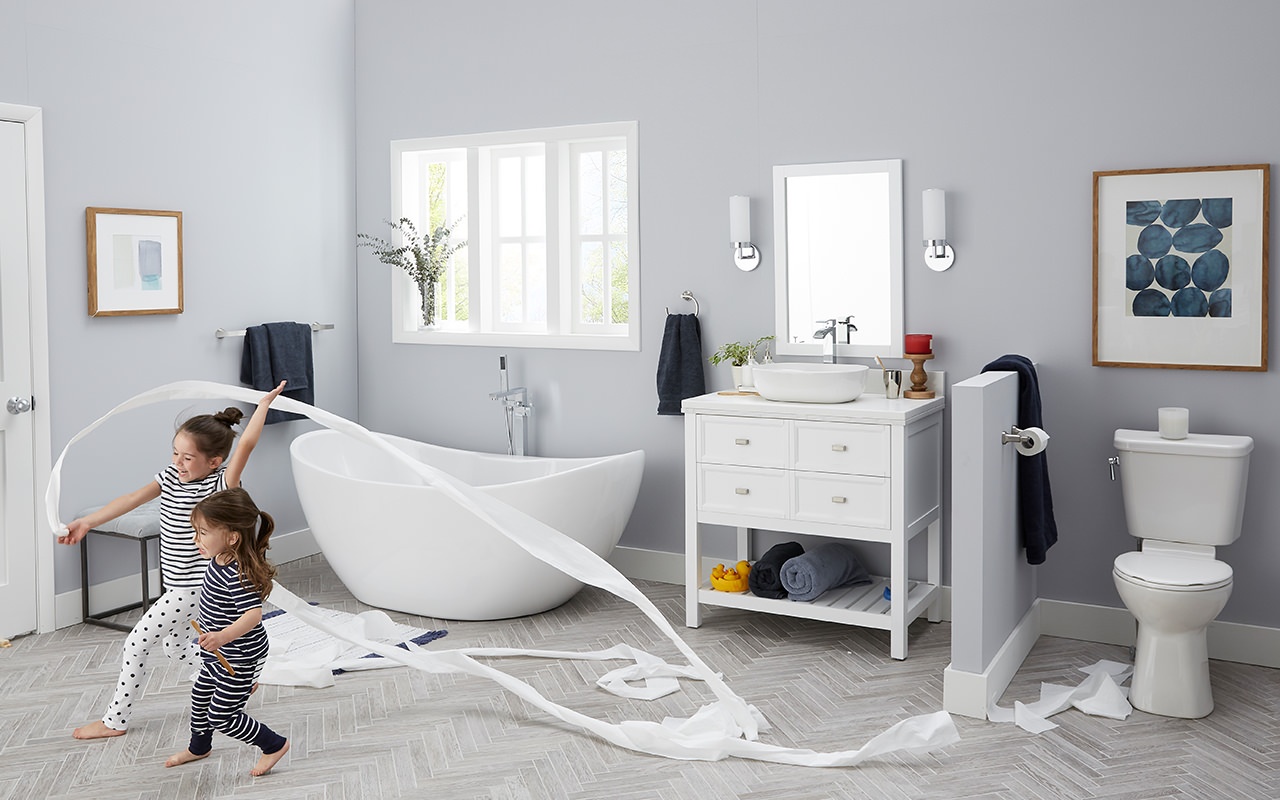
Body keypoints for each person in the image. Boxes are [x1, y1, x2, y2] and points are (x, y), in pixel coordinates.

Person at [57, 381, 287, 740]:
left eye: (187, 457)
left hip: (194, 588)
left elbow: (246, 444)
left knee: (136, 644)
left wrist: (263, 405)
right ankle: (232, 680)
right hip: (177, 583)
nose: (178, 462)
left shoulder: (220, 485)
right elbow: (131, 498)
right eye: (175, 453)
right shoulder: (168, 477)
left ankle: (114, 721)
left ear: (214, 462)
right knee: (176, 645)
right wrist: (88, 522)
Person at [164, 487, 288, 776]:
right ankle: (199, 746)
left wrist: (222, 636)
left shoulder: (238, 572)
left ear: (232, 537)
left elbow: (253, 616)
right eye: (196, 531)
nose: (196, 539)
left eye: (203, 532)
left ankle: (273, 745)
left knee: (222, 715)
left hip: (238, 656)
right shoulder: (219, 559)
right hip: (219, 652)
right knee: (200, 695)